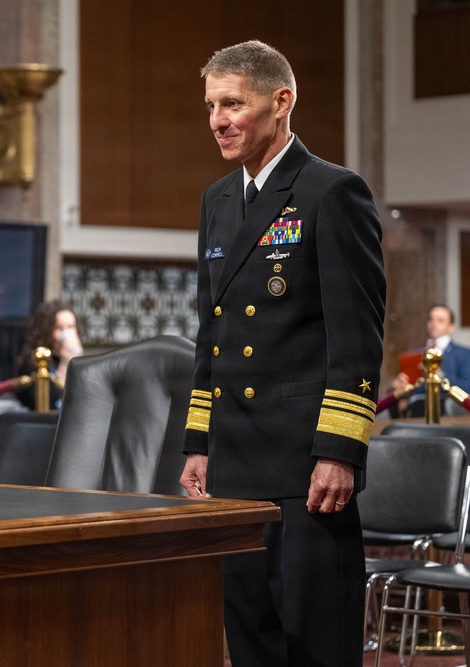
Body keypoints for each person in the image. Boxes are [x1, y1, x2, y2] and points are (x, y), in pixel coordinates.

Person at [178, 41, 385, 667]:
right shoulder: (216, 200)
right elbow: (210, 332)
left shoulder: (331, 191)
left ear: (280, 102)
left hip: (305, 467)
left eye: (233, 103)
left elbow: (357, 336)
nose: (218, 119)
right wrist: (198, 441)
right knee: (251, 642)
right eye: (212, 105)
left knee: (313, 645)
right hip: (235, 465)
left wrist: (339, 453)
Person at [391, 304, 470, 416]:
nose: (434, 323)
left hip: (447, 414)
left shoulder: (464, 354)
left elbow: (466, 388)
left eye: (440, 320)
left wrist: (439, 375)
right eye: (431, 319)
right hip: (414, 413)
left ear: (451, 327)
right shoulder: (414, 354)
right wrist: (400, 386)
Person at [15, 300, 84, 410]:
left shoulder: (80, 361)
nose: (66, 333)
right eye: (59, 328)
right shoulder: (34, 361)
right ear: (46, 331)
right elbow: (49, 404)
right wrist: (65, 363)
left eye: (71, 327)